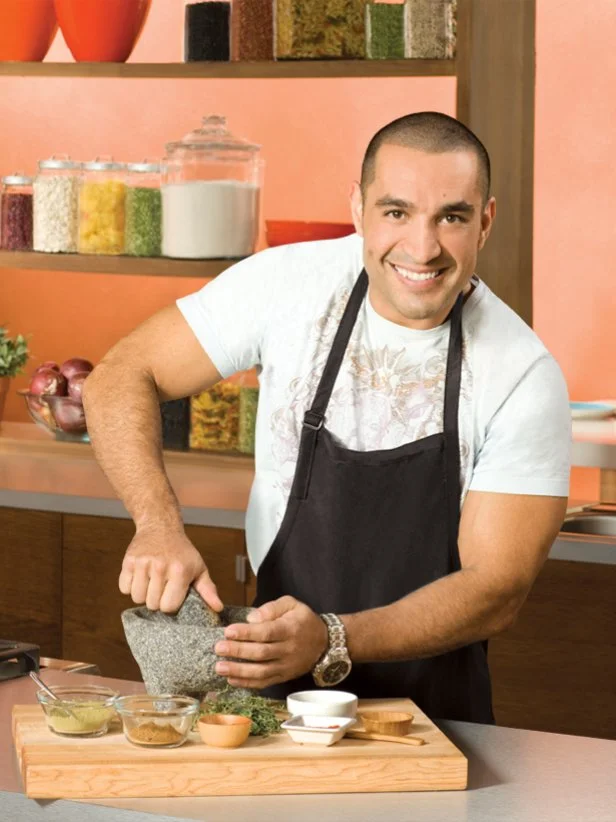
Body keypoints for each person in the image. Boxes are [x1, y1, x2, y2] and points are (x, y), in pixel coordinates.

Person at [83, 112, 571, 722]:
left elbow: (496, 590)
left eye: (452, 216)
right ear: (359, 207)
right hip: (272, 712)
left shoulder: (521, 373)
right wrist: (157, 524)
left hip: (435, 724)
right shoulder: (292, 285)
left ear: (486, 222)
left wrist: (332, 639)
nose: (422, 248)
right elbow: (121, 375)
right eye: (396, 212)